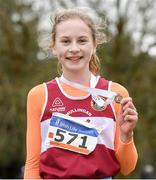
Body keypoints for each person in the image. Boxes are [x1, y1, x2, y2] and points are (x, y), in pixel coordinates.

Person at [24, 7, 138, 179]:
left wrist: (126, 135)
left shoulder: (113, 93)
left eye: (82, 40)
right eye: (66, 41)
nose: (74, 48)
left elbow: (127, 168)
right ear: (54, 47)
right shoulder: (39, 95)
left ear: (94, 45)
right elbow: (33, 165)